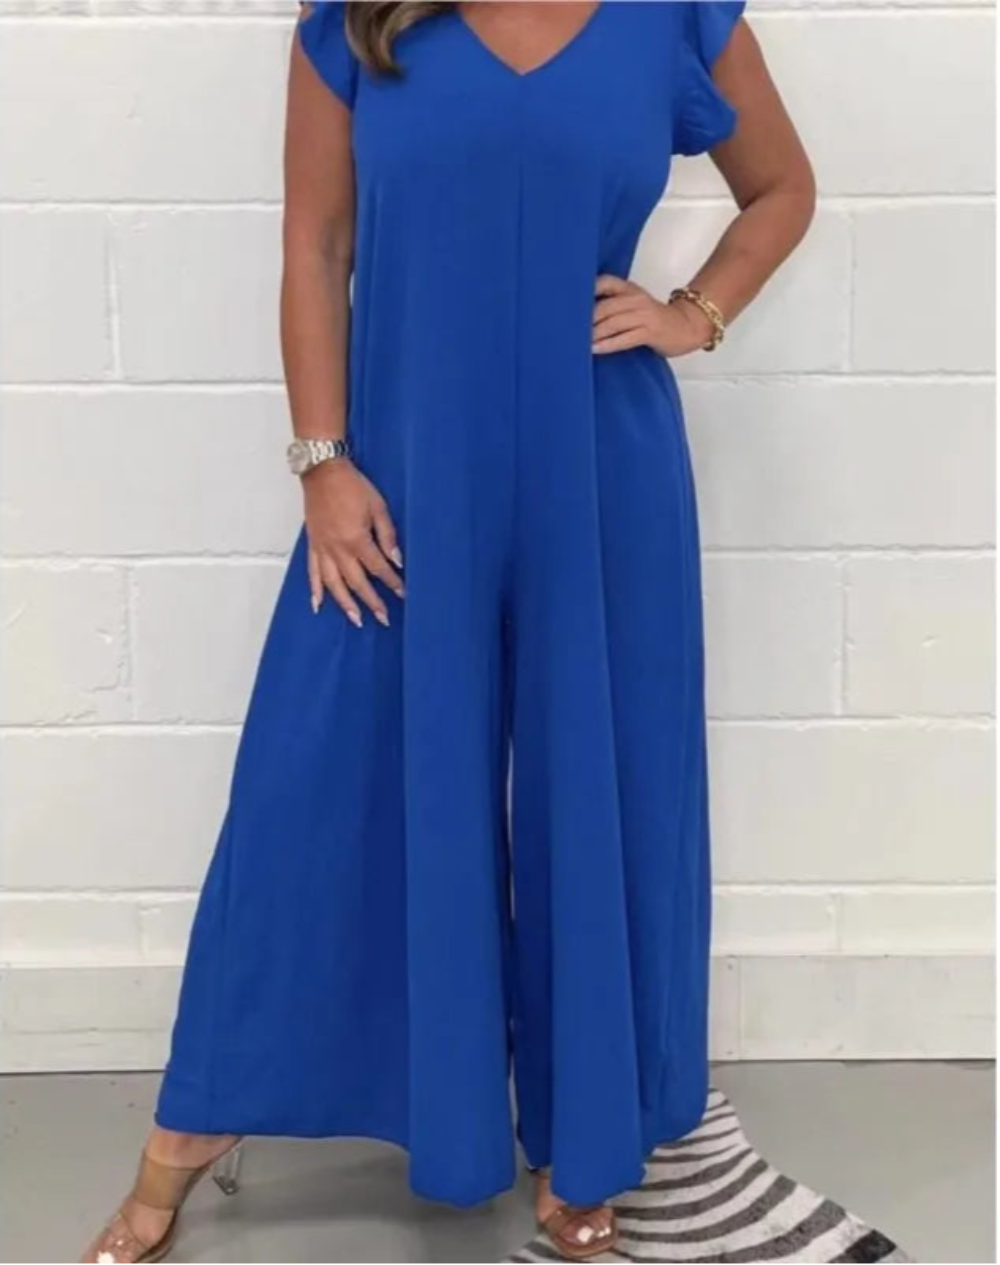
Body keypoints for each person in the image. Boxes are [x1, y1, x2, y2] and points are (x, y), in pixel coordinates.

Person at [82, 2, 814, 1261]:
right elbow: (315, 242)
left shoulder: (673, 13)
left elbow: (783, 187)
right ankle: (197, 1119)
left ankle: (583, 1134)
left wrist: (693, 311)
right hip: (405, 469)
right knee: (317, 775)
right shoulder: (360, 21)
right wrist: (322, 463)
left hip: (604, 465)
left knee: (599, 788)